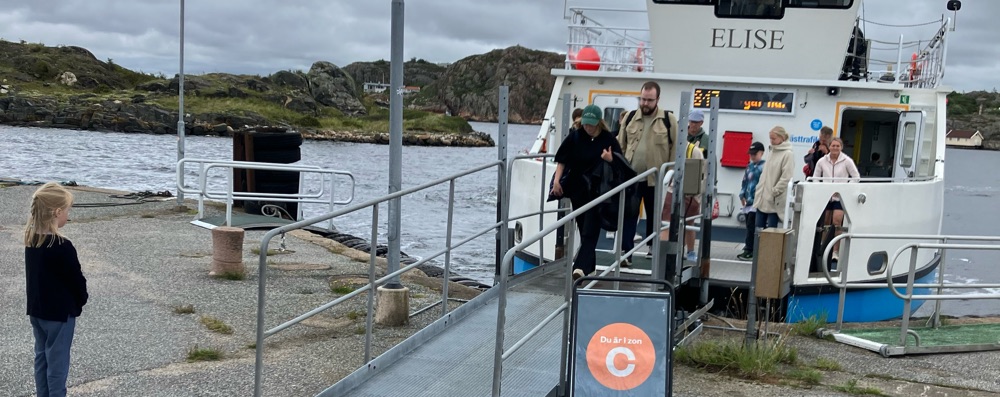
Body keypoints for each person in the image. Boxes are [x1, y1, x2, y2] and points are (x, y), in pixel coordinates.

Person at [24, 182, 88, 397]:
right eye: (67, 211)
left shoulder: (32, 239)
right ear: (57, 212)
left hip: (37, 310)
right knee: (57, 366)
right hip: (60, 314)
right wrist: (81, 300)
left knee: (42, 359)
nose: (67, 217)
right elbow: (76, 280)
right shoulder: (62, 245)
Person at [551, 104, 624, 280]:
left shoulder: (608, 139)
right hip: (578, 189)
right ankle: (590, 267)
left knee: (590, 230)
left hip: (599, 192)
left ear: (599, 123)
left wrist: (610, 159)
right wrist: (556, 181)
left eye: (591, 124)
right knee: (583, 226)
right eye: (585, 124)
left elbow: (621, 165)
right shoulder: (575, 137)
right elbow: (562, 160)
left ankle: (579, 268)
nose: (587, 127)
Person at [617, 81, 680, 262]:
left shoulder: (669, 120)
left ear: (657, 99)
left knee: (655, 215)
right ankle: (626, 252)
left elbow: (675, 149)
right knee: (629, 215)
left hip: (656, 179)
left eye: (649, 100)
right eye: (643, 99)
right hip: (631, 178)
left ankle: (653, 247)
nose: (645, 103)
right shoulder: (629, 118)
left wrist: (671, 175)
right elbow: (620, 146)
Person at [813, 138, 860, 262]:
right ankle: (823, 247)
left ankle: (835, 251)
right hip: (826, 196)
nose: (835, 148)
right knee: (826, 222)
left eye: (837, 146)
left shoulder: (847, 161)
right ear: (829, 147)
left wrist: (844, 188)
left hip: (840, 197)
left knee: (837, 222)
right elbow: (816, 177)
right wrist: (822, 188)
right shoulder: (822, 161)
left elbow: (856, 177)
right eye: (833, 146)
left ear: (841, 147)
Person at [659, 141, 705, 263]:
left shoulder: (693, 150)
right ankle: (664, 255)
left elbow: (701, 174)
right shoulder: (665, 146)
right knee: (668, 223)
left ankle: (688, 251)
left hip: (689, 192)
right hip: (671, 189)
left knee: (688, 224)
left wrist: (696, 197)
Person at [753, 126, 796, 229]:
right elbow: (765, 173)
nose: (771, 141)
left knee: (771, 231)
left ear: (782, 138)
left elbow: (787, 176)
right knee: (758, 229)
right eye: (770, 138)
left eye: (774, 138)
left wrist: (775, 191)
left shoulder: (788, 154)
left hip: (774, 198)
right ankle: (756, 245)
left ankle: (769, 245)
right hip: (762, 197)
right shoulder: (771, 151)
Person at [737, 142, 766, 261]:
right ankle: (749, 248)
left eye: (755, 154)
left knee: (752, 225)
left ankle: (749, 249)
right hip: (748, 201)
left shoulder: (764, 167)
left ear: (762, 153)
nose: (752, 156)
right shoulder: (749, 166)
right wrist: (742, 194)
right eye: (751, 154)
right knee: (749, 225)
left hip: (757, 201)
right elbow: (745, 182)